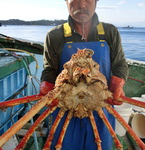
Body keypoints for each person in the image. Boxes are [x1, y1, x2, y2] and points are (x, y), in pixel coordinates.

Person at [40, 0, 129, 149]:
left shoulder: (109, 32)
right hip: (65, 108)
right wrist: (45, 85)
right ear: (66, 2)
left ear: (95, 3)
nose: (82, 5)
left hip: (100, 108)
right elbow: (50, 70)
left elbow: (120, 63)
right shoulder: (54, 36)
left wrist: (118, 83)